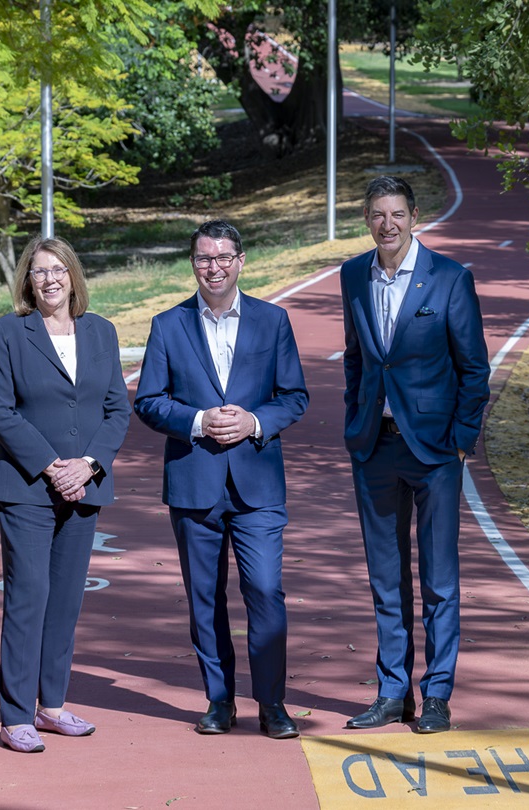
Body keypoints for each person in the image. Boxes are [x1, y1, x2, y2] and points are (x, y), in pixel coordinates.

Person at [134, 220, 309, 740]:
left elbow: (293, 396)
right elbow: (147, 400)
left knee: (266, 591)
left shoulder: (272, 320)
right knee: (205, 599)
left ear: (242, 260)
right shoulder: (167, 325)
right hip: (194, 483)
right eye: (205, 258)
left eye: (224, 257)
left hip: (257, 485)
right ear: (193, 264)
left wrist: (254, 422)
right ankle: (219, 699)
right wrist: (196, 420)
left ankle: (272, 703)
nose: (215, 267)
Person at [340, 176, 491, 734]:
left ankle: (437, 697)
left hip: (433, 453)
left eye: (397, 214)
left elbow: (474, 367)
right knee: (386, 580)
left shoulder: (449, 279)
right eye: (378, 214)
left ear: (414, 216)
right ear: (367, 219)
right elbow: (357, 359)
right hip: (374, 448)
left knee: (438, 581)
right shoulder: (353, 274)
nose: (388, 224)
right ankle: (392, 693)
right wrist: (357, 417)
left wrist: (460, 437)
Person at [0, 236, 131, 753]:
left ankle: (51, 707)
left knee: (66, 601)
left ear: (74, 276)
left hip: (84, 486)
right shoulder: (8, 333)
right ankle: (16, 715)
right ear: (27, 281)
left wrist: (88, 465)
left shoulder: (101, 332)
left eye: (58, 270)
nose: (49, 280)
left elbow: (117, 409)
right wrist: (51, 466)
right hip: (27, 488)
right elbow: (0, 411)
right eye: (38, 272)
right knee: (29, 597)